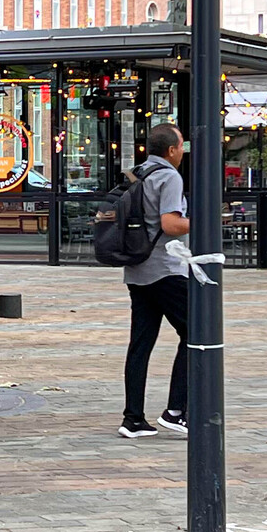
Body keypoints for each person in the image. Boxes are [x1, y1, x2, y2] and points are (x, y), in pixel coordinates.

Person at [119, 122, 192, 439]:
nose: (183, 153)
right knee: (196, 333)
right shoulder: (169, 177)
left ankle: (132, 418)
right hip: (166, 268)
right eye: (181, 147)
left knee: (140, 344)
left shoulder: (137, 173)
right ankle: (176, 411)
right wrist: (202, 221)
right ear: (172, 150)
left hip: (137, 270)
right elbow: (171, 224)